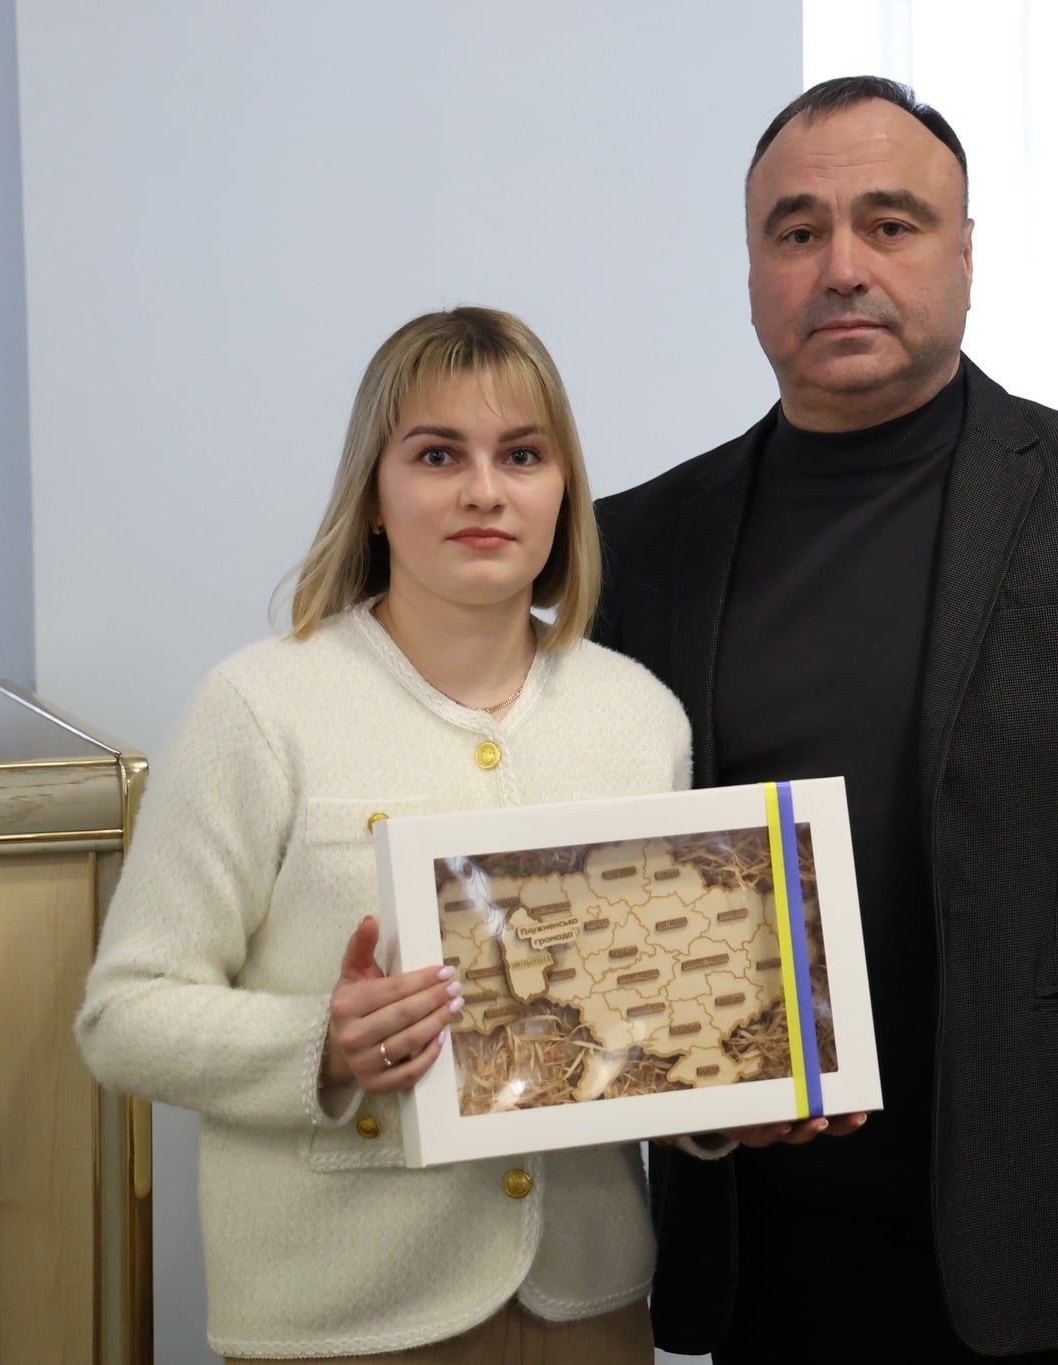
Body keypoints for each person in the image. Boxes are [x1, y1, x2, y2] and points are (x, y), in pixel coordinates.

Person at [593, 77, 1058, 1362]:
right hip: (762, 1240)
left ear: (963, 256)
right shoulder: (636, 543)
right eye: (796, 231)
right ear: (750, 272)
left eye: (890, 223)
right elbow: (607, 882)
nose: (840, 266)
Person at [75, 307, 686, 1362]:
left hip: (590, 1305)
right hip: (340, 1318)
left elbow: (657, 1014)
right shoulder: (259, 709)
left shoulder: (640, 716)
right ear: (372, 492)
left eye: (522, 455)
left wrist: (734, 1097)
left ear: (563, 490)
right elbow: (121, 1017)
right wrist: (321, 1042)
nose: (484, 490)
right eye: (438, 454)